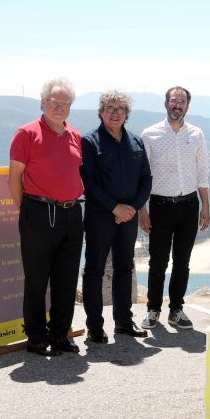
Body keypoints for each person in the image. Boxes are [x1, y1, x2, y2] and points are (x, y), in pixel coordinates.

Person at [8, 78, 83, 356]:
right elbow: (14, 178)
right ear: (42, 103)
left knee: (67, 279)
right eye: (54, 102)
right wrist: (28, 211)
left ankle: (60, 334)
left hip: (72, 213)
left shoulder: (74, 135)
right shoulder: (26, 133)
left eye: (65, 103)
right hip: (38, 212)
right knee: (37, 280)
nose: (59, 107)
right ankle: (37, 337)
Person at [80, 90, 152, 343]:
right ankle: (95, 326)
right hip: (100, 216)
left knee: (124, 267)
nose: (115, 113)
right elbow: (88, 182)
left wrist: (132, 208)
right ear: (101, 112)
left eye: (120, 109)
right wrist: (114, 207)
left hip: (128, 217)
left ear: (126, 114)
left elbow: (146, 179)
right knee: (94, 270)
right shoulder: (89, 142)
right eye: (110, 108)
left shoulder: (136, 142)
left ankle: (123, 322)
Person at [139, 86, 210, 330]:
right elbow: (143, 175)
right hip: (160, 206)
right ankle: (153, 309)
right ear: (166, 103)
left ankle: (176, 310)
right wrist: (142, 210)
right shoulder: (150, 134)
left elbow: (202, 172)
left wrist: (205, 206)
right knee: (158, 262)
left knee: (183, 261)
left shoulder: (196, 134)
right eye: (173, 100)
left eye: (182, 101)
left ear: (187, 106)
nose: (177, 105)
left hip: (189, 205)